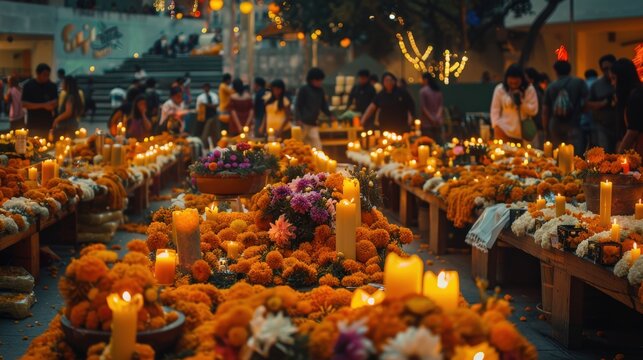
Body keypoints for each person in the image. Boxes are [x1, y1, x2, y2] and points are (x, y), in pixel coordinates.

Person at [542, 60, 588, 154]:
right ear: (569, 69)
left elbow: (545, 111)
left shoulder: (550, 86)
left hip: (555, 125)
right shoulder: (579, 82)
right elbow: (587, 101)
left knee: (559, 154)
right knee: (575, 155)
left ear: (555, 71)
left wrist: (546, 129)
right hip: (574, 123)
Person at [490, 65, 538, 143]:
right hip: (503, 131)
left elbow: (534, 111)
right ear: (506, 79)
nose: (514, 84)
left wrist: (521, 102)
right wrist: (496, 126)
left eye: (516, 82)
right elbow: (494, 110)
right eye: (511, 82)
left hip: (523, 135)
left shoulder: (529, 89)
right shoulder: (500, 89)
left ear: (522, 79)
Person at [295, 68, 335, 149]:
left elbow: (323, 105)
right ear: (312, 80)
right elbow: (298, 105)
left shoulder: (320, 91)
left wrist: (330, 115)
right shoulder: (304, 90)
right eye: (319, 80)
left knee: (317, 147)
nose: (321, 82)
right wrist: (298, 119)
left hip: (313, 124)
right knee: (300, 146)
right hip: (303, 124)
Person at [587, 54, 619, 153]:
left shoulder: (620, 81)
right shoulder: (597, 85)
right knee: (605, 154)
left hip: (619, 126)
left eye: (610, 68)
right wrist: (603, 103)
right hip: (603, 126)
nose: (607, 71)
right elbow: (587, 104)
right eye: (604, 69)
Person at [612, 59, 643, 156]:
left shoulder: (636, 96)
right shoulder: (634, 93)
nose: (612, 83)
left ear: (622, 79)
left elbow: (633, 130)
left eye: (613, 79)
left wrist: (619, 155)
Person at [22, 63, 58, 138]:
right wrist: (44, 105)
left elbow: (55, 102)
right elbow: (24, 104)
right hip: (33, 123)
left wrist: (52, 105)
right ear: (38, 74)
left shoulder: (52, 86)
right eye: (44, 75)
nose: (47, 77)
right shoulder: (29, 86)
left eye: (48, 75)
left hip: (48, 123)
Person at [419, 73, 444, 144]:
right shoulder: (438, 90)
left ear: (425, 80)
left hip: (427, 123)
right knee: (439, 143)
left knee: (428, 143)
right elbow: (440, 106)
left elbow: (423, 107)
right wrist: (437, 117)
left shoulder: (423, 91)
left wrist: (432, 119)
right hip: (438, 121)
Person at [579, 69, 599, 152]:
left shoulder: (583, 84)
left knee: (583, 145)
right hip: (596, 119)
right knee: (595, 145)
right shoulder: (599, 83)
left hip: (584, 119)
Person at [525, 68, 545, 147]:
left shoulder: (533, 91)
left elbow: (538, 111)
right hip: (537, 126)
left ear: (531, 79)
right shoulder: (539, 90)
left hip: (535, 127)